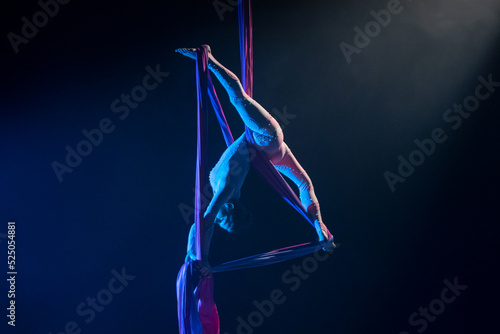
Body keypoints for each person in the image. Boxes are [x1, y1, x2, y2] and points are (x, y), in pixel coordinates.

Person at [176, 45, 335, 276]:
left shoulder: (225, 190)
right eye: (224, 221)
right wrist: (201, 259)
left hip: (266, 151)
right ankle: (209, 58)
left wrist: (192, 256)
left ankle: (320, 229)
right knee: (238, 98)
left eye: (222, 224)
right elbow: (205, 223)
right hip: (263, 137)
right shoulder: (226, 190)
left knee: (304, 184)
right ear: (229, 207)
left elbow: (203, 224)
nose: (218, 220)